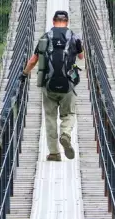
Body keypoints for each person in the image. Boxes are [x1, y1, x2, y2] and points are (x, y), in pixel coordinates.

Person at [19, 10, 84, 161]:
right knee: (69, 114)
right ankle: (66, 134)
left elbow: (33, 60)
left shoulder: (45, 37)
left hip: (48, 86)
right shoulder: (74, 37)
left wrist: (24, 75)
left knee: (50, 118)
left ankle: (54, 153)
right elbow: (81, 57)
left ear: (53, 21)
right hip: (68, 85)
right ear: (67, 22)